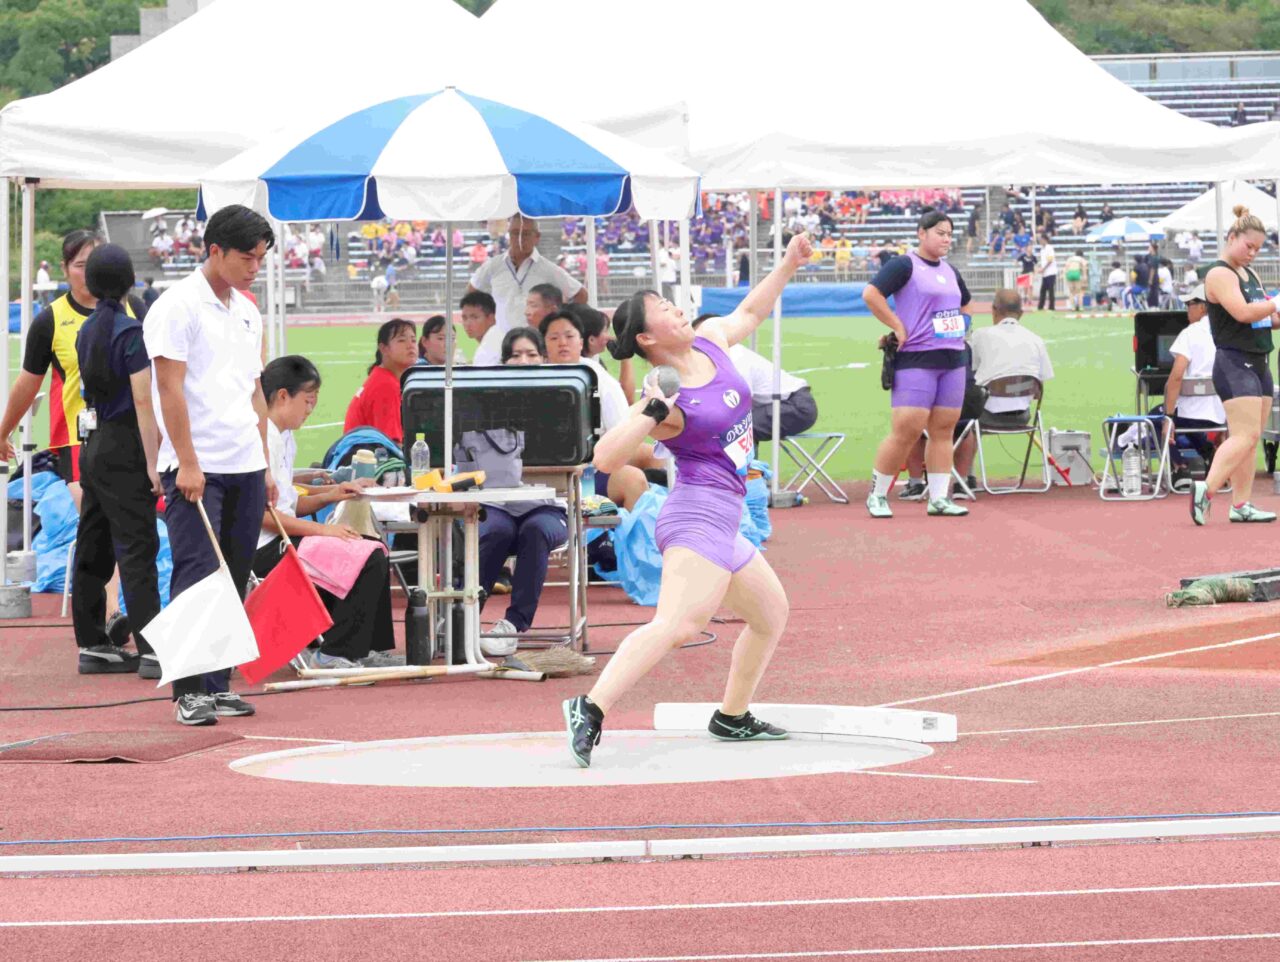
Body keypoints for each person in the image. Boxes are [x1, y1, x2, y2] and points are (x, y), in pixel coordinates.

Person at [561, 232, 815, 768]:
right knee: (678, 625)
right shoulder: (663, 389)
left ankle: (732, 716)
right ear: (648, 338)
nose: (675, 309)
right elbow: (606, 459)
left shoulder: (711, 340)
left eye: (670, 303)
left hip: (728, 519)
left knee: (770, 614)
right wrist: (652, 413)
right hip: (696, 515)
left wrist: (788, 264)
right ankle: (589, 707)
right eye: (661, 309)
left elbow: (750, 309)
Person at [145, 204, 278, 726]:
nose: (254, 267)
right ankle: (188, 690)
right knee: (197, 573)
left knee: (234, 573)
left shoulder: (248, 310)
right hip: (195, 466)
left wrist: (265, 464)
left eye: (262, 258)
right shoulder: (176, 307)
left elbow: (255, 391)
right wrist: (187, 462)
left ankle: (219, 684)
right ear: (215, 250)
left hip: (244, 461)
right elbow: (168, 388)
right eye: (247, 257)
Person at [253, 355, 401, 669]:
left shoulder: (283, 437)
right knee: (366, 555)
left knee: (371, 549)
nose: (311, 410)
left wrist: (334, 493)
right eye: (308, 401)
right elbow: (262, 516)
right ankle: (336, 651)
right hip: (264, 550)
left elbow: (289, 502)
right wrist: (324, 530)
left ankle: (363, 647)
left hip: (281, 540)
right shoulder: (261, 438)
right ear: (283, 396)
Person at [70, 244, 163, 679]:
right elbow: (144, 401)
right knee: (138, 547)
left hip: (92, 444)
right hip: (125, 444)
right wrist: (152, 462)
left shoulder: (85, 330)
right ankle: (151, 647)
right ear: (130, 282)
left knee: (94, 541)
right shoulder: (131, 333)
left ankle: (93, 642)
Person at [0, 231, 144, 490]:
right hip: (79, 437)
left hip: (133, 434)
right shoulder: (50, 320)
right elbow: (28, 382)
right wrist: (3, 432)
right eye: (81, 265)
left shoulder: (135, 308)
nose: (90, 272)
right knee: (93, 516)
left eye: (97, 263)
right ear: (64, 269)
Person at [864, 209, 973, 518]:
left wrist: (963, 324)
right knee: (906, 429)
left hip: (952, 359)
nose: (946, 239)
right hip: (916, 358)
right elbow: (871, 294)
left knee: (944, 430)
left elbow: (965, 302)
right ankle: (877, 495)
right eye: (940, 232)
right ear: (922, 233)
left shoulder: (950, 270)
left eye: (950, 234)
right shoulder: (903, 265)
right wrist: (898, 327)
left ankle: (939, 498)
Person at [470, 327, 568, 656]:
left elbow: (577, 463)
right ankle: (464, 617)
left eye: (530, 354)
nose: (523, 360)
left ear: (543, 358)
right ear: (504, 361)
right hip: (496, 503)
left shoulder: (563, 401)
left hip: (547, 508)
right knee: (494, 531)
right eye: (515, 354)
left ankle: (513, 624)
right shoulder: (485, 405)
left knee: (536, 530)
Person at [1190, 205, 1280, 525]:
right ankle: (1207, 488)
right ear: (1231, 237)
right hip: (1233, 362)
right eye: (1248, 246)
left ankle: (1241, 504)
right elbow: (1243, 313)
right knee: (1244, 434)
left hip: (1259, 361)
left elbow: (1267, 319)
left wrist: (1275, 311)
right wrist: (1273, 303)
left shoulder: (1250, 273)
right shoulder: (1219, 274)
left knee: (1252, 437)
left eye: (1257, 248)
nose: (1253, 253)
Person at [539, 308, 650, 510]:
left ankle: (626, 540)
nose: (562, 343)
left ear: (580, 342)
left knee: (635, 480)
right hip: (542, 477)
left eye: (569, 336)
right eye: (554, 338)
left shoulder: (600, 379)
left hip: (591, 473)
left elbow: (621, 430)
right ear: (544, 345)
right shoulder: (533, 379)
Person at [691, 314, 817, 441]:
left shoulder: (734, 355)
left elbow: (740, 402)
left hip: (795, 406)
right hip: (786, 403)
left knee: (737, 429)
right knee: (732, 428)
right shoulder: (721, 356)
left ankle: (746, 461)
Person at [467, 214, 586, 334]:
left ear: (537, 237)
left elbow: (581, 294)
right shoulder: (493, 265)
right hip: (501, 344)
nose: (519, 238)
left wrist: (560, 323)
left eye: (526, 234)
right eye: (515, 233)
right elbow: (472, 291)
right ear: (509, 234)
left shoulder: (548, 269)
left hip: (536, 346)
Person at [1164, 284, 1225, 492]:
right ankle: (1210, 454)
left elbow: (1176, 377)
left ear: (1203, 308)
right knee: (1188, 417)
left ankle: (1180, 468)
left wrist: (1168, 416)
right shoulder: (1228, 332)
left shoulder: (1190, 334)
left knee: (1158, 419)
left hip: (1192, 412)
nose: (1187, 309)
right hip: (1221, 413)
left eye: (1190, 304)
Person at [970, 289, 1054, 428]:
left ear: (994, 310)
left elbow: (970, 373)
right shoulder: (1036, 340)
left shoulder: (980, 335)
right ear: (1021, 313)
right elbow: (1038, 392)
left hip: (985, 414)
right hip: (1022, 416)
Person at [343, 318, 417, 446]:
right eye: (401, 340)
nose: (410, 345)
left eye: (413, 340)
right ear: (384, 348)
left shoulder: (382, 378)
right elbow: (391, 447)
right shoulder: (386, 386)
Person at [460, 290, 502, 365]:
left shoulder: (492, 345)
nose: (467, 323)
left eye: (474, 317)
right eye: (464, 318)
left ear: (491, 318)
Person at [1036, 234, 1057, 311]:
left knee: (1051, 290)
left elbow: (1050, 260)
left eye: (1041, 240)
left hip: (1051, 272)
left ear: (1045, 240)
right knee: (1043, 290)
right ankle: (1040, 306)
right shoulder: (1042, 250)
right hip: (1045, 273)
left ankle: (1051, 307)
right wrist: (1041, 268)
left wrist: (1043, 269)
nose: (1040, 241)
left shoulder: (1049, 248)